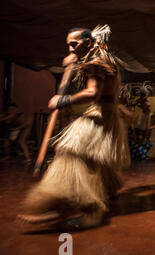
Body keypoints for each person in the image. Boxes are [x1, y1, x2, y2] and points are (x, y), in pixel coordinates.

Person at [18, 25, 130, 227]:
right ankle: (107, 191)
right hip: (106, 115)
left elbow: (92, 93)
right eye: (68, 45)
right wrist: (74, 62)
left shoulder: (96, 61)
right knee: (94, 159)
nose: (70, 49)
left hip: (100, 115)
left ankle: (67, 204)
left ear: (88, 42)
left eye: (73, 44)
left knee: (67, 150)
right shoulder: (103, 57)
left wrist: (62, 101)